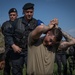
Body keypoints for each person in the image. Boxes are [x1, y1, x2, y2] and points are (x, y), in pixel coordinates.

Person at [2, 2, 44, 75]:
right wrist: (13, 45)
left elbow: (44, 28)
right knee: (16, 72)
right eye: (27, 12)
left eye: (31, 12)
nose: (29, 14)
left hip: (30, 52)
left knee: (31, 72)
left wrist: (52, 25)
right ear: (23, 12)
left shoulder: (36, 22)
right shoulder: (16, 22)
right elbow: (8, 35)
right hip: (17, 52)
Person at [1, 8, 18, 75]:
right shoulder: (5, 24)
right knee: (6, 68)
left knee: (16, 68)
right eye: (10, 15)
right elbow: (2, 34)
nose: (12, 16)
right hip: (7, 49)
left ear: (17, 15)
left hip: (17, 48)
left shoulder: (20, 23)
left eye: (14, 15)